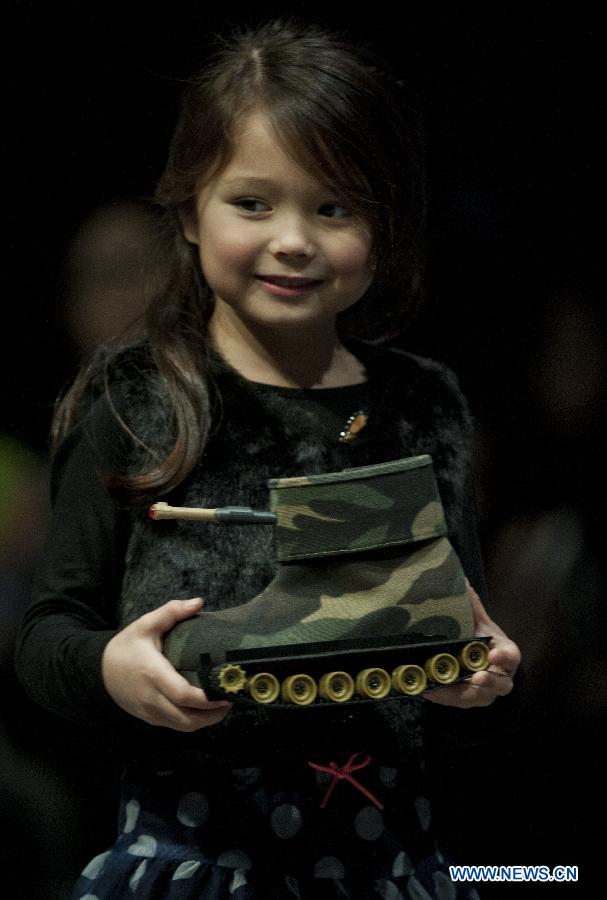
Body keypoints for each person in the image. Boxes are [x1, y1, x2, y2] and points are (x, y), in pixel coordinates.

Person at [15, 18, 520, 899]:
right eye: (253, 203)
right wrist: (111, 669)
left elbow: (458, 640)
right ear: (187, 207)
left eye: (334, 207)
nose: (293, 238)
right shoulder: (137, 400)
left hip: (388, 862)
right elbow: (45, 636)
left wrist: (480, 677)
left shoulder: (422, 405)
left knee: (543, 875)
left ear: (383, 222)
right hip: (194, 860)